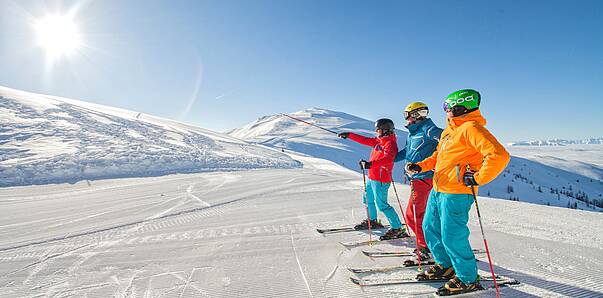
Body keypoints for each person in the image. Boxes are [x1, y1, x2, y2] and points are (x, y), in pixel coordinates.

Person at [405, 89, 510, 296]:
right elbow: (438, 156)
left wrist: (478, 177)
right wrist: (421, 166)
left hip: (457, 192)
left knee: (452, 235)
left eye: (447, 107)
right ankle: (445, 265)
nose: (445, 111)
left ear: (460, 107)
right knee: (430, 228)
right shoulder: (450, 130)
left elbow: (499, 155)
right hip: (438, 188)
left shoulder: (471, 128)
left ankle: (468, 278)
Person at [338, 119, 407, 240]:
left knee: (382, 205)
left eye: (378, 130)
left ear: (385, 130)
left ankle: (397, 228)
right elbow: (364, 140)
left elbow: (388, 159)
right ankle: (373, 221)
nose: (376, 132)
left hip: (381, 179)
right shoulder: (378, 141)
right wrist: (349, 135)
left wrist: (370, 164)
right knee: (368, 200)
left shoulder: (390, 144)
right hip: (372, 177)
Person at [394, 102, 443, 261]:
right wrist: (390, 158)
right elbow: (407, 152)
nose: (406, 118)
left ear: (413, 115)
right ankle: (432, 243)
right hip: (416, 178)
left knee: (413, 215)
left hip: (425, 178)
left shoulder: (428, 129)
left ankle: (425, 246)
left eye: (406, 115)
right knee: (422, 214)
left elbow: (445, 138)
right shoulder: (413, 133)